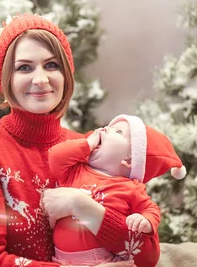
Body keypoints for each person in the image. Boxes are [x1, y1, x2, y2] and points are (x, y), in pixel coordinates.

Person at [0, 14, 135, 267]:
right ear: (6, 78)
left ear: (66, 74)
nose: (40, 80)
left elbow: (138, 250)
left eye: (51, 65)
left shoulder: (88, 150)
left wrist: (83, 206)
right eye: (24, 67)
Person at [48, 114, 187, 266]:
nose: (105, 128)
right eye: (109, 126)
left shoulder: (130, 187)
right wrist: (87, 144)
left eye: (118, 132)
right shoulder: (76, 170)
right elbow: (55, 156)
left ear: (128, 160)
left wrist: (146, 221)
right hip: (62, 261)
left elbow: (151, 208)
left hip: (103, 260)